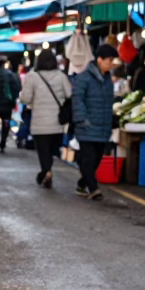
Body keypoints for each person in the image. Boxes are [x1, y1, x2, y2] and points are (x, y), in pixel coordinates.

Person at [19, 48, 72, 188]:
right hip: (57, 122)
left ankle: (46, 171)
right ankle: (46, 170)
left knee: (43, 150)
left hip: (39, 122)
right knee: (52, 150)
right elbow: (69, 94)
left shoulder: (32, 76)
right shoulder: (61, 76)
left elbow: (25, 99)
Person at [72, 44, 116, 200]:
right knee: (89, 159)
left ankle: (82, 183)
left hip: (103, 127)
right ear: (100, 59)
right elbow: (77, 100)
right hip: (87, 126)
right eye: (110, 60)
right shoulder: (83, 77)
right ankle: (94, 189)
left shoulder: (108, 79)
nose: (112, 63)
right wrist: (82, 120)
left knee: (96, 160)